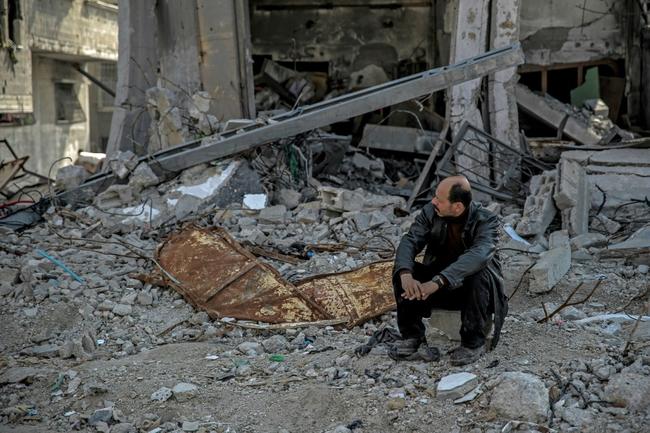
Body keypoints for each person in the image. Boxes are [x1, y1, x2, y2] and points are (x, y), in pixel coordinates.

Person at [391, 175, 507, 366]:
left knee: (480, 273)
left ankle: (472, 343)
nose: (433, 201)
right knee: (403, 272)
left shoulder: (487, 221)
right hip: (440, 286)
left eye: (439, 199)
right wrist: (405, 274)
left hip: (473, 294)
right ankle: (412, 336)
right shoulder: (430, 212)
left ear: (458, 206)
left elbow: (479, 255)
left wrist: (437, 282)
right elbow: (410, 241)